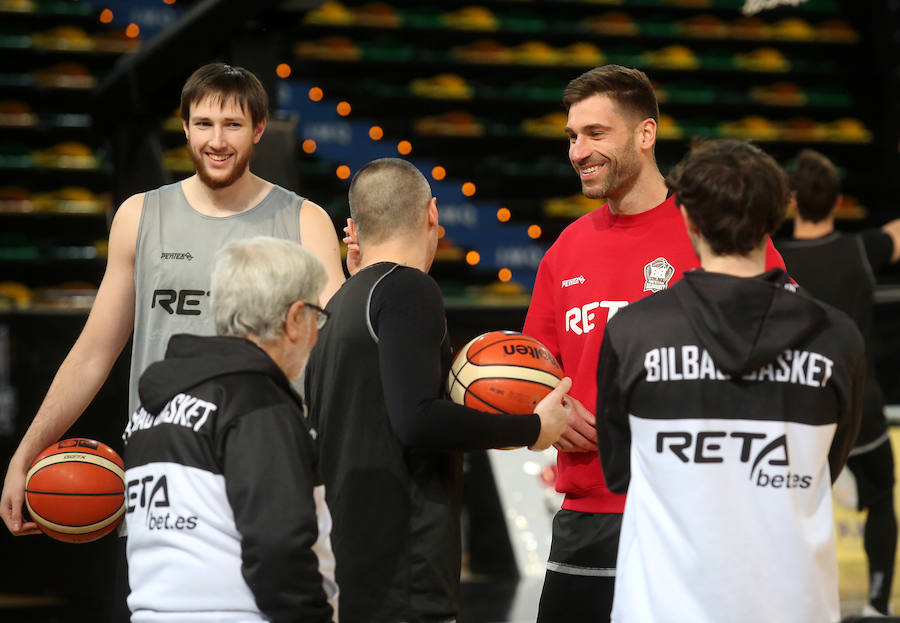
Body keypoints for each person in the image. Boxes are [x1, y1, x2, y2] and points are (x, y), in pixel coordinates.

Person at [0, 62, 347, 620]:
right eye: (203, 123)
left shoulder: (304, 221)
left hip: (269, 469)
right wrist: (25, 453)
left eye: (232, 125)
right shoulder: (141, 215)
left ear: (259, 129)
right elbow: (93, 353)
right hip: (168, 479)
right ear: (184, 128)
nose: (216, 141)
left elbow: (338, 347)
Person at [522, 65, 788, 622]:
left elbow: (784, 357)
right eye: (572, 136)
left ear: (645, 134)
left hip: (697, 515)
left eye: (596, 133)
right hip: (588, 515)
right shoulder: (565, 250)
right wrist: (545, 411)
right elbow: (534, 371)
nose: (577, 151)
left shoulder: (712, 230)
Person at [594, 139, 864, 623]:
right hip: (795, 606)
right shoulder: (837, 336)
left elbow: (620, 471)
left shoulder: (633, 331)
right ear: (776, 218)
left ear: (688, 219)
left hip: (662, 610)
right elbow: (828, 463)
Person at [304, 157, 573, 623]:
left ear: (356, 226)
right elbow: (416, 419)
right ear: (432, 214)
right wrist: (532, 427)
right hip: (405, 564)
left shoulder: (339, 304)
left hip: (349, 559)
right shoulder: (410, 289)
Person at [123, 236, 338, 622]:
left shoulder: (153, 408)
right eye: (316, 317)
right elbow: (278, 544)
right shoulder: (258, 405)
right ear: (293, 319)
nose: (317, 333)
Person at [776, 148, 900, 617]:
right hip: (860, 404)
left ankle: (792, 604)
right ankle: (875, 606)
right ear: (839, 200)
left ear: (790, 201)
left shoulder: (773, 259)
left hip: (799, 409)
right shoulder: (861, 250)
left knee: (790, 513)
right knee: (879, 500)